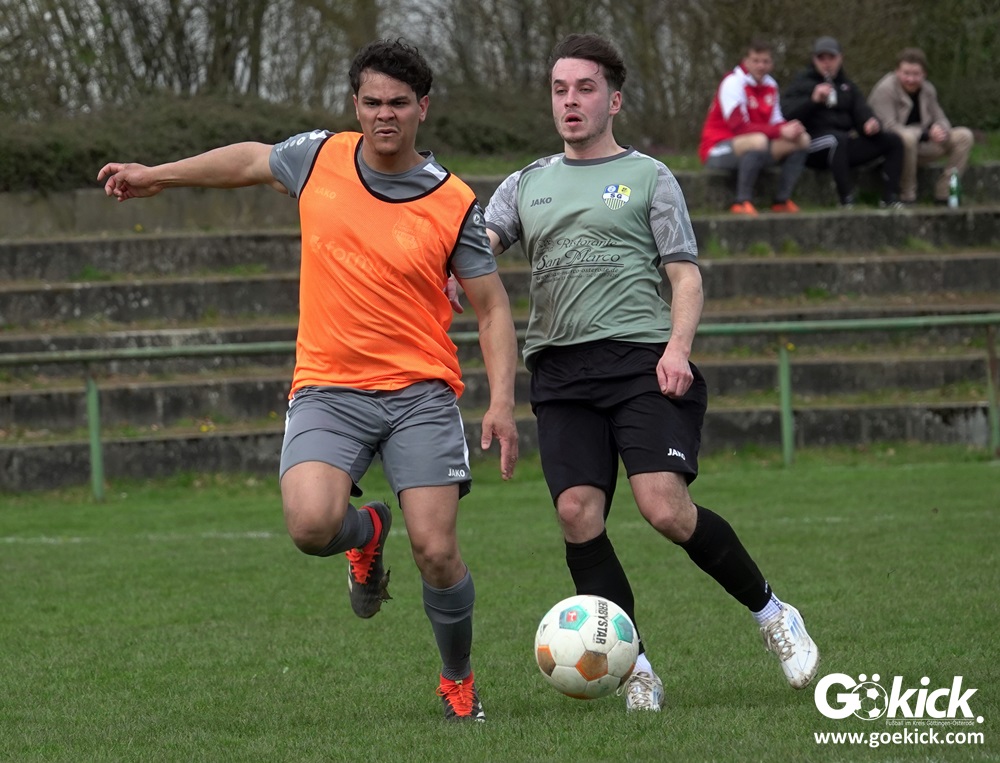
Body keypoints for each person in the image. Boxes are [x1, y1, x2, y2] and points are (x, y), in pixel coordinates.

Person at [97, 38, 519, 723]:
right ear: (356, 104)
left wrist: (501, 401)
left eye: (399, 103)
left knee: (437, 551)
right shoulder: (319, 156)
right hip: (328, 386)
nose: (384, 115)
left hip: (419, 393)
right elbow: (249, 159)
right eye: (372, 102)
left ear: (423, 107)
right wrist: (158, 176)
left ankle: (457, 680)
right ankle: (367, 531)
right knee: (310, 525)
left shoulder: (453, 201)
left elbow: (493, 307)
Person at [483, 33, 819, 712]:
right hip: (560, 368)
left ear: (613, 99)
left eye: (584, 89)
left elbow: (684, 275)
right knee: (577, 512)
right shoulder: (525, 183)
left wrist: (677, 349)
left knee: (663, 507)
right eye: (559, 89)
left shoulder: (649, 176)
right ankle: (635, 667)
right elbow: (476, 249)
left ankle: (773, 613)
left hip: (641, 360)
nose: (570, 101)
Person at [782, 36, 905, 208]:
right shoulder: (802, 83)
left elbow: (861, 111)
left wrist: (870, 123)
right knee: (836, 140)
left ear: (840, 58)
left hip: (843, 145)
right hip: (812, 145)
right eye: (821, 58)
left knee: (893, 140)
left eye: (831, 58)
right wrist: (812, 101)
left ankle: (890, 198)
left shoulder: (847, 86)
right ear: (814, 60)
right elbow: (786, 115)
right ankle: (846, 199)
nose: (827, 63)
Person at [698, 38, 810, 215]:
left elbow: (776, 121)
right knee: (758, 141)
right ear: (746, 61)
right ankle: (741, 201)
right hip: (718, 149)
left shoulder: (771, 85)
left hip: (757, 145)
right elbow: (739, 128)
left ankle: (781, 200)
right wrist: (780, 130)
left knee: (802, 139)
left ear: (772, 64)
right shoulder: (733, 82)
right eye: (756, 61)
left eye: (765, 61)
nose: (761, 66)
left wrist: (791, 128)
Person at [867, 47, 974, 205]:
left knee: (964, 136)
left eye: (916, 74)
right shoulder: (885, 90)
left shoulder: (928, 89)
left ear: (924, 74)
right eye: (906, 74)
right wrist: (924, 134)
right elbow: (888, 127)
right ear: (897, 72)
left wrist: (940, 129)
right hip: (893, 150)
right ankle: (907, 194)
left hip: (922, 145)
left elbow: (941, 118)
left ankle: (945, 192)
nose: (911, 79)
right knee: (908, 138)